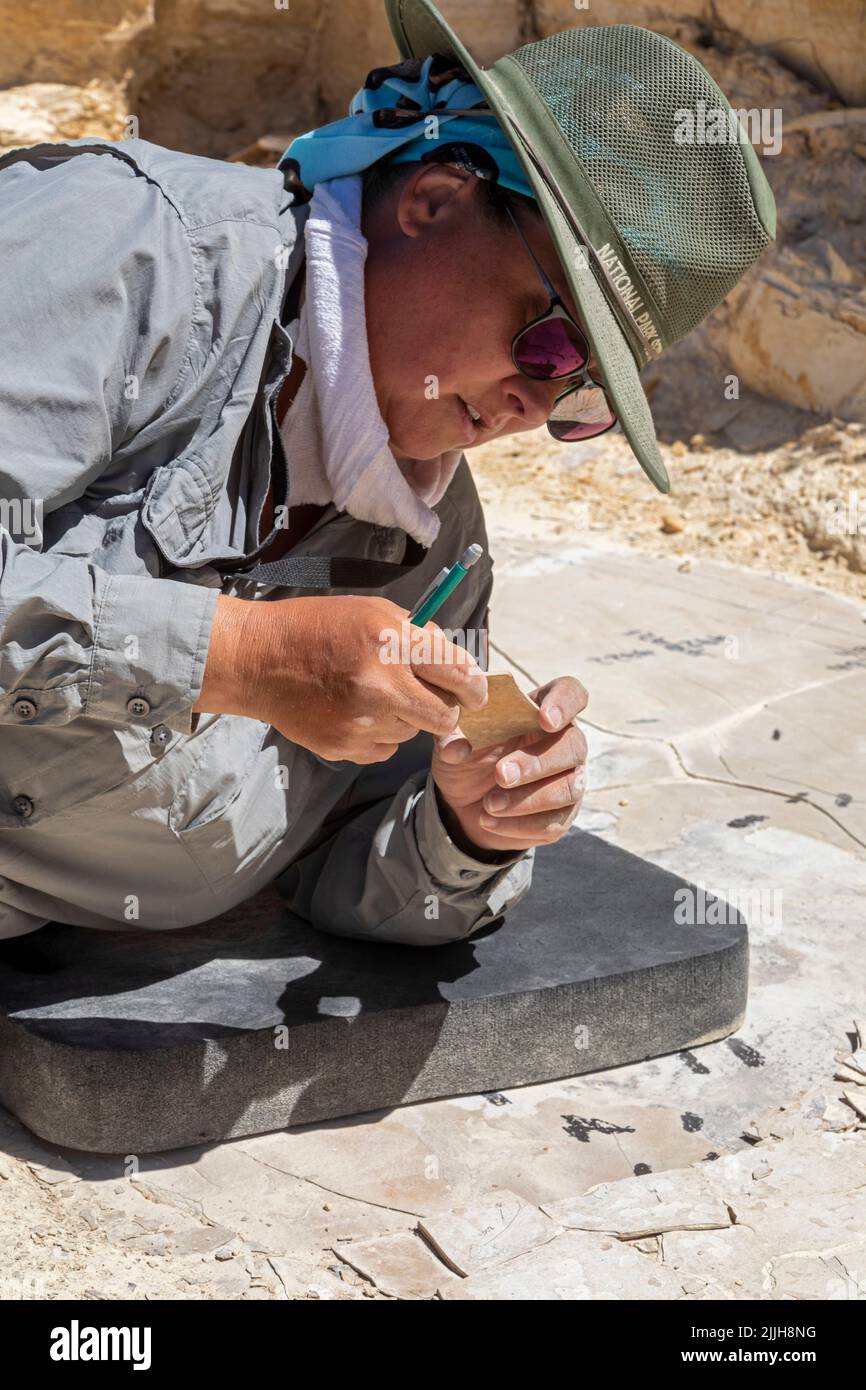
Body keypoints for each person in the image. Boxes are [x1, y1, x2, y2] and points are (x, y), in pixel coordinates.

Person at [0, 2, 776, 946]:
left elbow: (350, 869)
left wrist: (471, 827)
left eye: (583, 393)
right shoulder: (131, 249)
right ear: (436, 201)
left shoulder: (435, 544)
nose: (536, 406)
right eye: (552, 338)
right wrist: (241, 657)